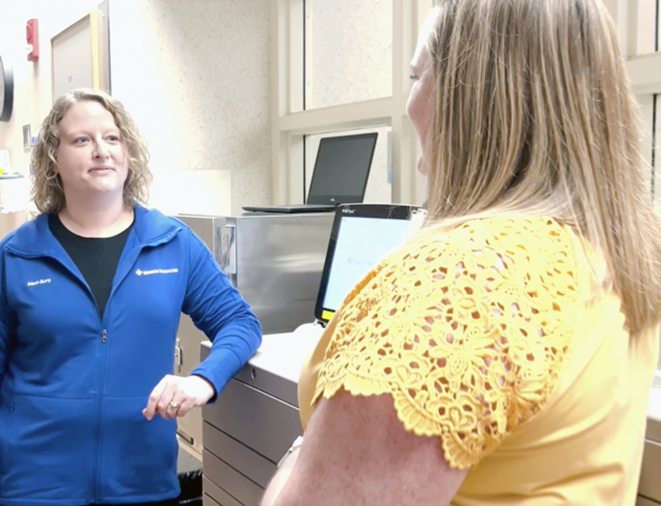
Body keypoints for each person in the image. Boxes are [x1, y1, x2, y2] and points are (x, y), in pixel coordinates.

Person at [262, 0, 661, 505]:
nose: (409, 103)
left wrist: (305, 453)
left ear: (468, 96)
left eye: (416, 76)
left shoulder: (455, 282)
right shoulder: (626, 251)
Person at [0, 88, 262, 506]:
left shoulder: (172, 245)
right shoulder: (16, 257)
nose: (101, 151)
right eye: (82, 140)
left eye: (112, 138)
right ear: (53, 160)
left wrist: (203, 379)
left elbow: (240, 323)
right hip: (33, 487)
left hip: (142, 483)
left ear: (128, 154)